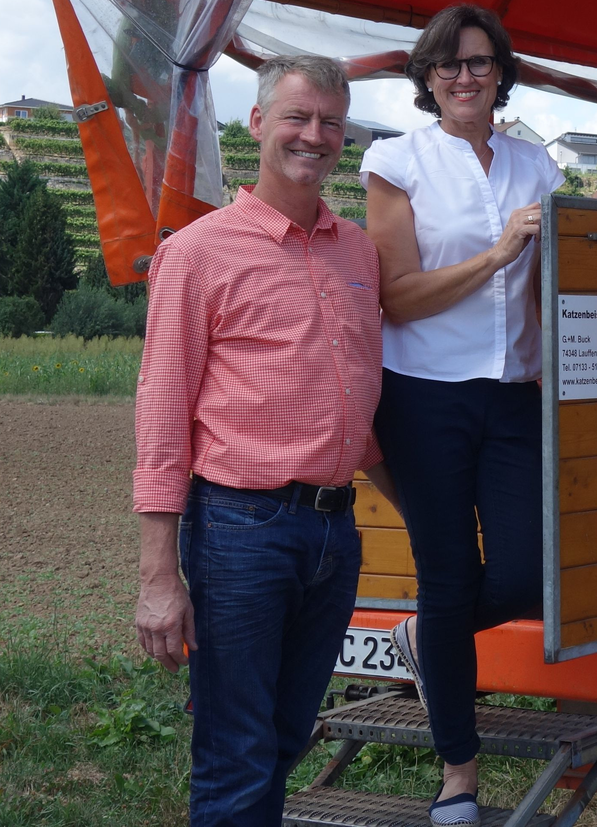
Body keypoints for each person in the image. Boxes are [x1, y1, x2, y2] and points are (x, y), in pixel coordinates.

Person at [363, 4, 597, 825]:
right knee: (449, 578)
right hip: (424, 395)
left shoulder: (533, 164)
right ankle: (459, 776)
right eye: (448, 64)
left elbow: (551, 258)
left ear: (500, 73)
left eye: (479, 62)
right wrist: (495, 255)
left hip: (514, 393)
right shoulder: (395, 160)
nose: (464, 76)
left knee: (520, 575)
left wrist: (596, 208)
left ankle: (427, 637)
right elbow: (399, 299)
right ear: (426, 77)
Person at [133, 54, 398, 826]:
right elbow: (162, 413)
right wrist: (158, 576)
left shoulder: (357, 253)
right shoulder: (198, 252)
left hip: (333, 531)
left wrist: (426, 515)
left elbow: (358, 410)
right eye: (297, 117)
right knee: (237, 754)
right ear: (256, 123)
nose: (314, 135)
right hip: (240, 530)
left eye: (331, 122)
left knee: (283, 742)